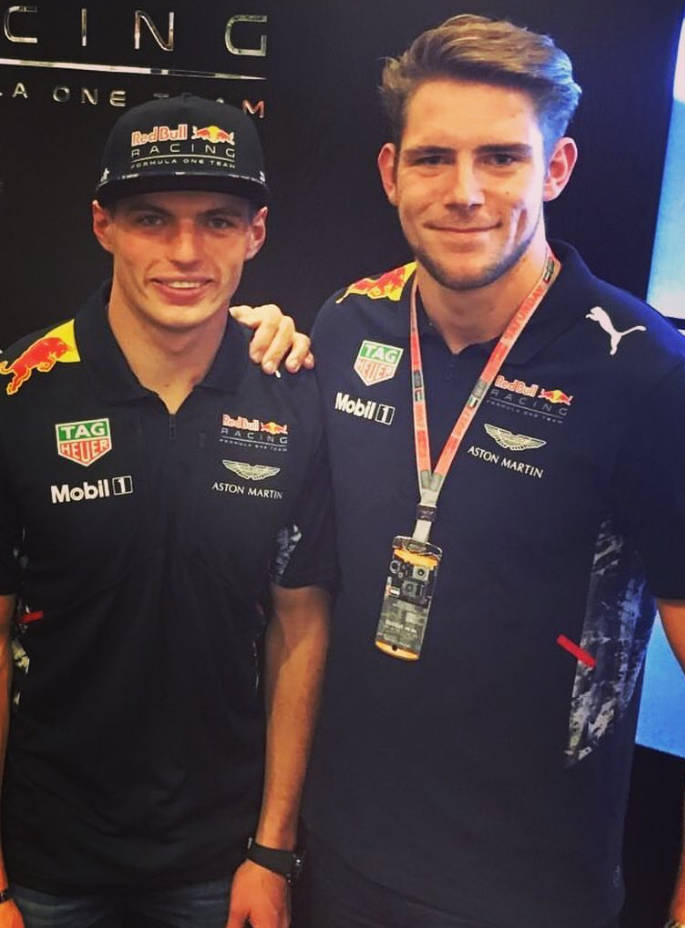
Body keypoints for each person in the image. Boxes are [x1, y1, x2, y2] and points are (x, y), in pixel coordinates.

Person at [235, 13, 685, 928]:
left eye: (502, 158)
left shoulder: (657, 384)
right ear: (391, 172)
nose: (464, 192)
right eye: (433, 159)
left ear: (557, 168)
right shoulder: (347, 325)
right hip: (336, 867)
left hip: (529, 898)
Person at [0, 93, 335, 928]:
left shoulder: (294, 396)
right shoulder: (20, 394)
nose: (185, 253)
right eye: (152, 219)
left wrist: (272, 850)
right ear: (103, 225)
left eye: (217, 221)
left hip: (219, 864)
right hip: (43, 862)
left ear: (255, 233)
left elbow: (299, 627)